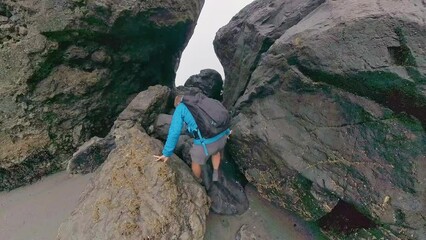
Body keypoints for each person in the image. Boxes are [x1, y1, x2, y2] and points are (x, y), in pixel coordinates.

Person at [154, 95, 231, 182]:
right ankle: (216, 173)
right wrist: (227, 132)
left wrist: (166, 153)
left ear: (178, 104)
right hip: (222, 137)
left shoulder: (180, 108)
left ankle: (197, 181)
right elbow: (216, 114)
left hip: (207, 144)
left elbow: (174, 132)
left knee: (195, 161)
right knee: (216, 152)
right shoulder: (199, 100)